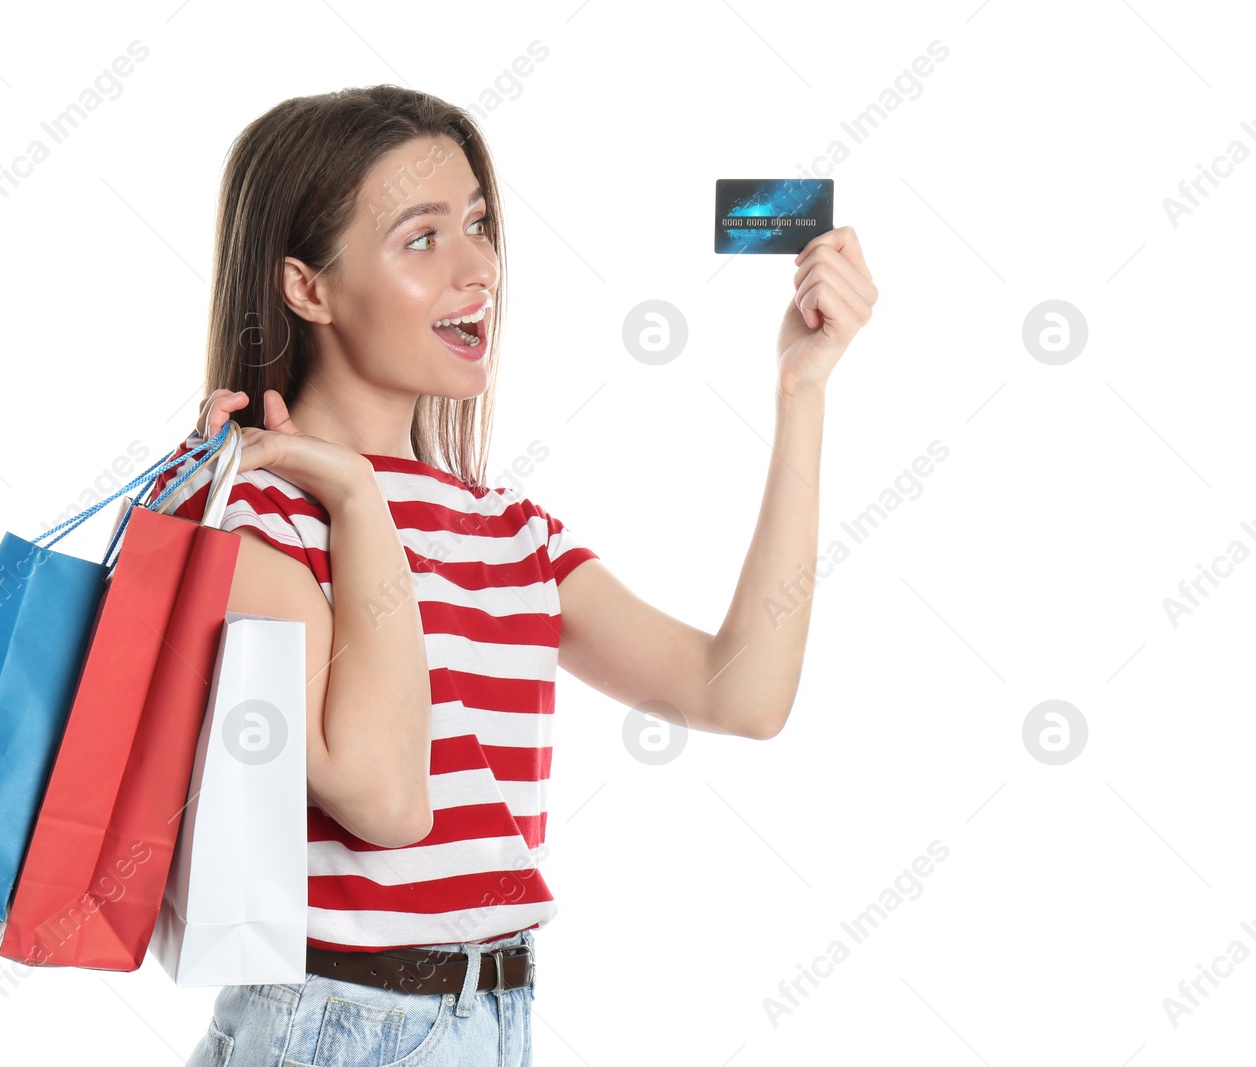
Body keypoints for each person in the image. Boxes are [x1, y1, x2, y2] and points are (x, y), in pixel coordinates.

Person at [150, 85, 877, 1067]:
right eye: (421, 238)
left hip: (492, 1020)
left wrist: (802, 391)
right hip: (335, 1024)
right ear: (307, 288)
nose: (479, 268)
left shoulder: (508, 531)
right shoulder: (253, 518)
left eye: (479, 226)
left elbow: (738, 691)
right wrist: (360, 503)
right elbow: (385, 796)